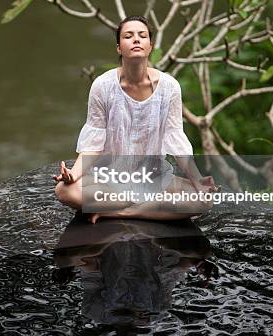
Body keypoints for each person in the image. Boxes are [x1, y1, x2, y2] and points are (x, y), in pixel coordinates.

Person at [54, 15, 217, 223]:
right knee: (64, 191)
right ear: (119, 48)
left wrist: (197, 180)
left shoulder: (169, 87)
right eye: (128, 36)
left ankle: (124, 212)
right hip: (109, 179)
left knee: (204, 201)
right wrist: (74, 175)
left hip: (154, 179)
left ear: (150, 46)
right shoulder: (102, 86)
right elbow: (93, 142)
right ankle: (145, 207)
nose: (136, 40)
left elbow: (175, 139)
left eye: (142, 36)